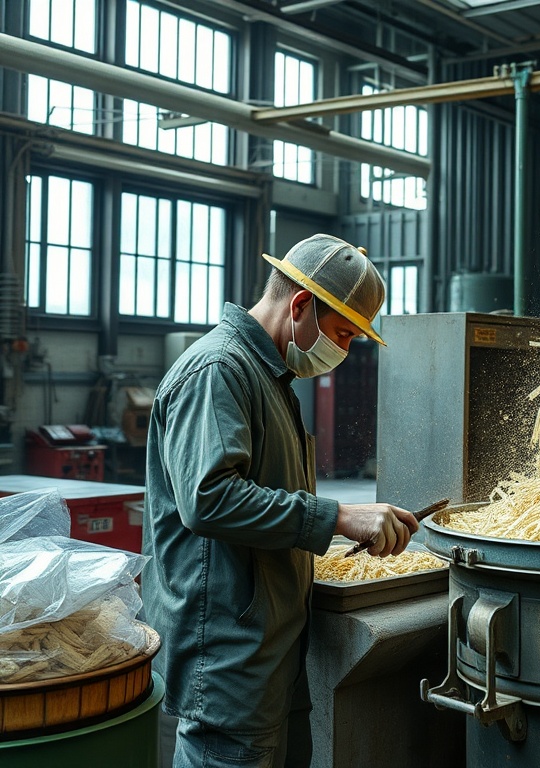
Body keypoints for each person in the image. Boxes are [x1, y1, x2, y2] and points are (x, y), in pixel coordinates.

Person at [142, 233, 419, 768]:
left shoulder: (271, 378)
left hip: (268, 654)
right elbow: (210, 498)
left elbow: (262, 492)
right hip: (227, 657)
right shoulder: (218, 371)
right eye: (340, 333)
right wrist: (338, 515)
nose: (340, 352)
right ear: (300, 305)